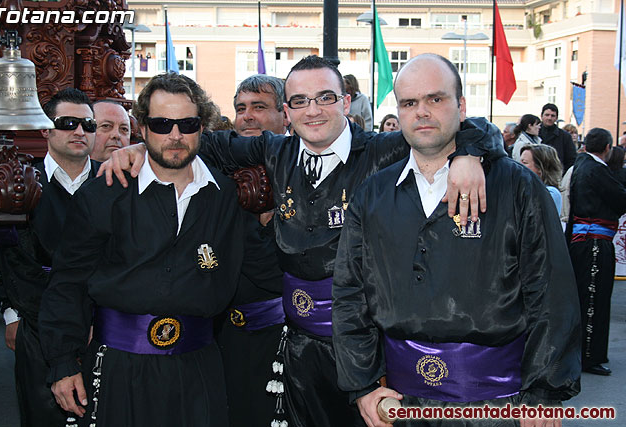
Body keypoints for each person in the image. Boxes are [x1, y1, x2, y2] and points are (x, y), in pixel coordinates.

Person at [101, 55, 495, 427]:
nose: (313, 110)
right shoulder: (276, 150)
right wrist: (139, 148)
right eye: (300, 101)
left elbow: (475, 126)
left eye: (325, 98)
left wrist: (468, 155)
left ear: (346, 101)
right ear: (287, 111)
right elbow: (198, 140)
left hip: (368, 341)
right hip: (298, 343)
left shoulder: (382, 150)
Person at [333, 53, 580, 427]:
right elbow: (350, 293)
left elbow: (551, 292)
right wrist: (362, 384)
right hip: (399, 404)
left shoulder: (517, 187)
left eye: (436, 99)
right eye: (409, 103)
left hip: (498, 406)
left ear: (461, 106)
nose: (422, 112)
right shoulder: (372, 194)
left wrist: (544, 393)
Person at [38, 73, 244, 426]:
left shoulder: (224, 195)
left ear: (202, 127)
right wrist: (62, 362)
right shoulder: (105, 191)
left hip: (198, 368)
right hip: (117, 367)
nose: (175, 135)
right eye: (162, 124)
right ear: (143, 128)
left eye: (187, 124)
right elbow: (68, 281)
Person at [0, 88, 99, 427]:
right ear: (45, 129)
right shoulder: (21, 183)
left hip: (104, 329)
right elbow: (13, 262)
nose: (79, 131)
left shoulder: (114, 182)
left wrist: (96, 319)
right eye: (68, 122)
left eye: (88, 124)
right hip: (39, 327)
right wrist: (14, 315)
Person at [218, 73, 287, 427]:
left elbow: (276, 272)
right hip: (220, 337)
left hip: (285, 338)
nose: (247, 116)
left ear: (285, 114)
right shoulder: (215, 168)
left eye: (259, 107)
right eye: (240, 108)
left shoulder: (302, 170)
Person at [567, 127, 626, 377]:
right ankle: (589, 356)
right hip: (593, 242)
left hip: (584, 240)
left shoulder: (582, 164)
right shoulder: (596, 169)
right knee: (594, 300)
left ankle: (583, 352)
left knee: (586, 298)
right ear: (607, 148)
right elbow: (621, 199)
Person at [520, 144, 563, 215]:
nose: (518, 166)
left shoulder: (551, 193)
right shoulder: (525, 189)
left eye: (524, 163)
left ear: (540, 168)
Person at [539, 103, 577, 172]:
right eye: (547, 115)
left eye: (552, 116)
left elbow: (571, 159)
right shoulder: (535, 134)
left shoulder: (565, 136)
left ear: (556, 118)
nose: (549, 118)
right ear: (541, 116)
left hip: (557, 175)